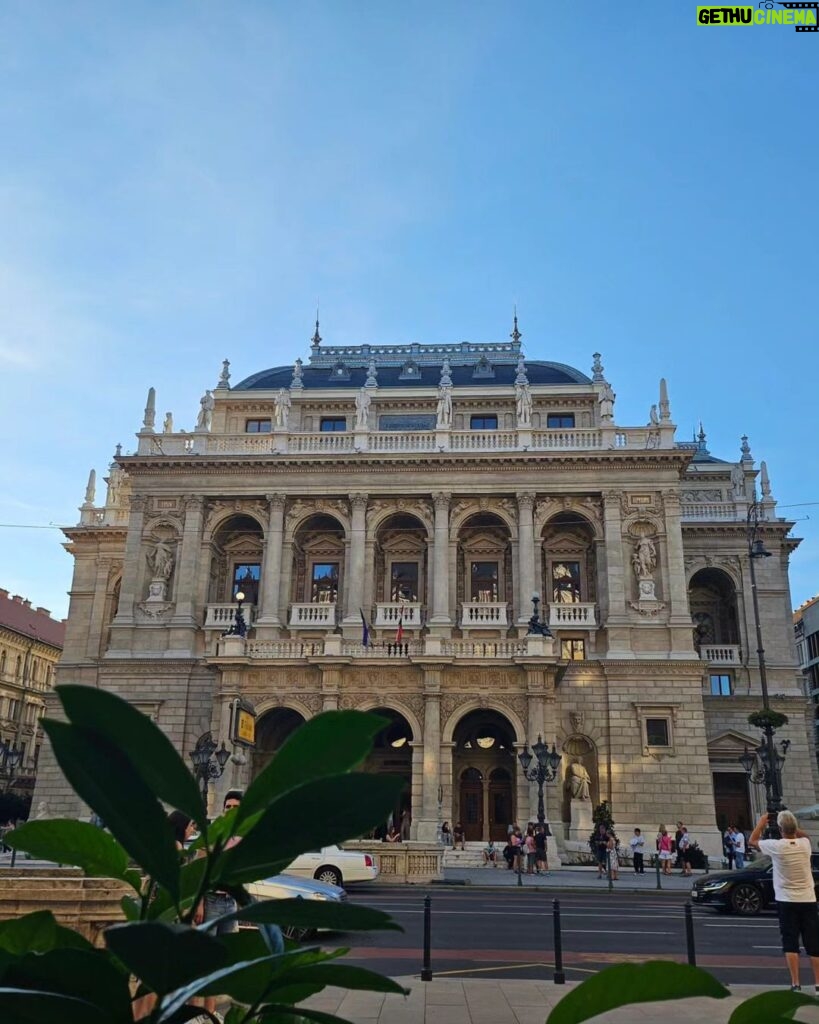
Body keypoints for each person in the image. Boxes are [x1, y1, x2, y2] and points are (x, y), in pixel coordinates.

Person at [749, 810, 819, 993]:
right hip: (808, 900)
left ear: (780, 829)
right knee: (813, 944)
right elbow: (804, 835)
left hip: (786, 901)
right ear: (794, 827)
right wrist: (792, 823)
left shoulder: (777, 846)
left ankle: (796, 983)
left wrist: (762, 821)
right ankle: (818, 983)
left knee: (790, 943)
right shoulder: (805, 844)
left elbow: (753, 840)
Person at [202, 790, 243, 1021]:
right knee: (205, 959)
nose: (230, 810)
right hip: (211, 900)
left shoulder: (242, 837)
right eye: (228, 806)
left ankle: (211, 1010)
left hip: (229, 902)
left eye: (236, 807)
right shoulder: (214, 833)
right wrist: (197, 904)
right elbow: (200, 867)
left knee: (224, 959)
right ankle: (201, 1011)